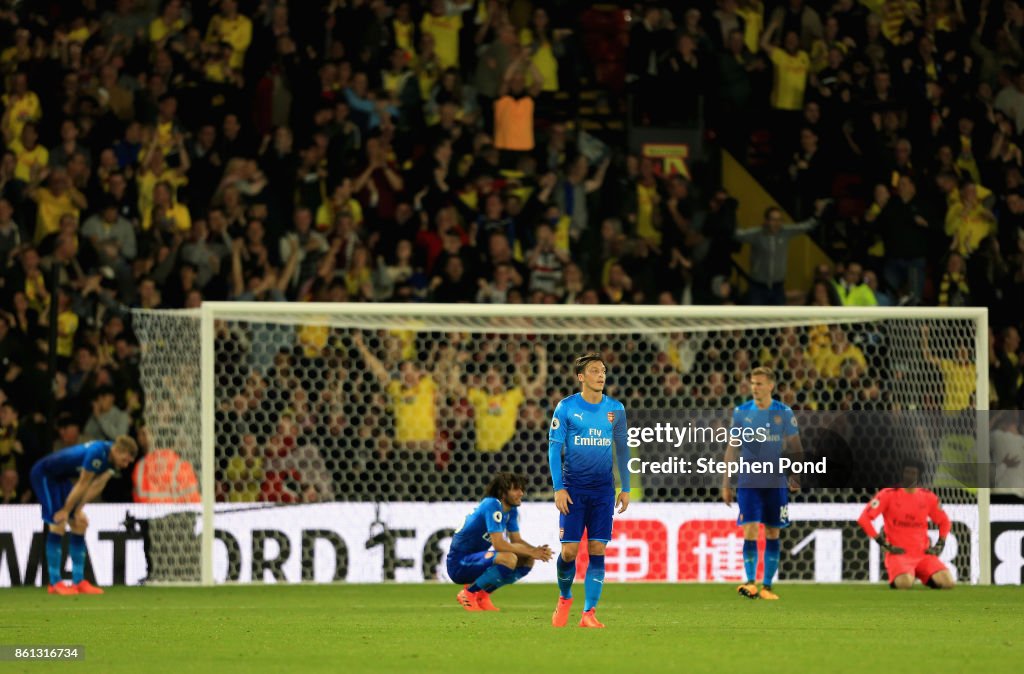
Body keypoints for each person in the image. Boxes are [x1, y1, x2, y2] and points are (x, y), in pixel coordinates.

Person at [548, 352, 631, 628]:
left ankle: (589, 613)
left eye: (604, 370)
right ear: (581, 377)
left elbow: (623, 450)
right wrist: (559, 488)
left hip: (603, 491)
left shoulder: (615, 409)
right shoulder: (566, 407)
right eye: (595, 370)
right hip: (573, 489)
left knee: (598, 548)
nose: (601, 375)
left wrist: (626, 487)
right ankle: (564, 597)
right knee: (569, 552)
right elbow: (554, 448)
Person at [721, 366, 803, 600]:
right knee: (750, 529)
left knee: (773, 531)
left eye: (759, 383)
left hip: (776, 481)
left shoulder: (784, 413)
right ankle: (750, 582)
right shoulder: (741, 412)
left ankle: (767, 586)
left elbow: (796, 447)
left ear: (770, 386)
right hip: (748, 481)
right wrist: (726, 482)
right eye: (752, 383)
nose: (754, 387)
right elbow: (732, 448)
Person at [29, 435, 138, 594]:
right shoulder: (97, 453)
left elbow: (96, 486)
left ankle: (78, 581)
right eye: (126, 460)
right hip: (44, 475)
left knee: (80, 523)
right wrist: (66, 511)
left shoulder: (111, 461)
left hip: (60, 478)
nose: (126, 464)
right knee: (58, 521)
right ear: (118, 450)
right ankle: (54, 583)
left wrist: (78, 509)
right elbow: (83, 483)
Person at [448, 472, 552, 611]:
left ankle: (482, 595)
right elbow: (499, 544)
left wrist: (537, 551)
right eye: (516, 489)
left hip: (479, 560)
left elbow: (516, 540)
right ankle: (469, 593)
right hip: (459, 563)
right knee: (508, 558)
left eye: (521, 489)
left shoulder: (511, 511)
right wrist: (532, 551)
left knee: (527, 560)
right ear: (502, 493)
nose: (521, 493)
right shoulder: (491, 504)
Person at [857, 459, 955, 590]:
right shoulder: (888, 495)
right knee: (904, 583)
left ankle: (922, 577)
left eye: (914, 473)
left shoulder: (928, 497)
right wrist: (883, 543)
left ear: (919, 475)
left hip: (923, 555)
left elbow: (944, 522)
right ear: (901, 473)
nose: (910, 476)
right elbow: (864, 519)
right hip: (899, 555)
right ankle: (907, 574)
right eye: (907, 472)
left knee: (948, 583)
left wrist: (940, 544)